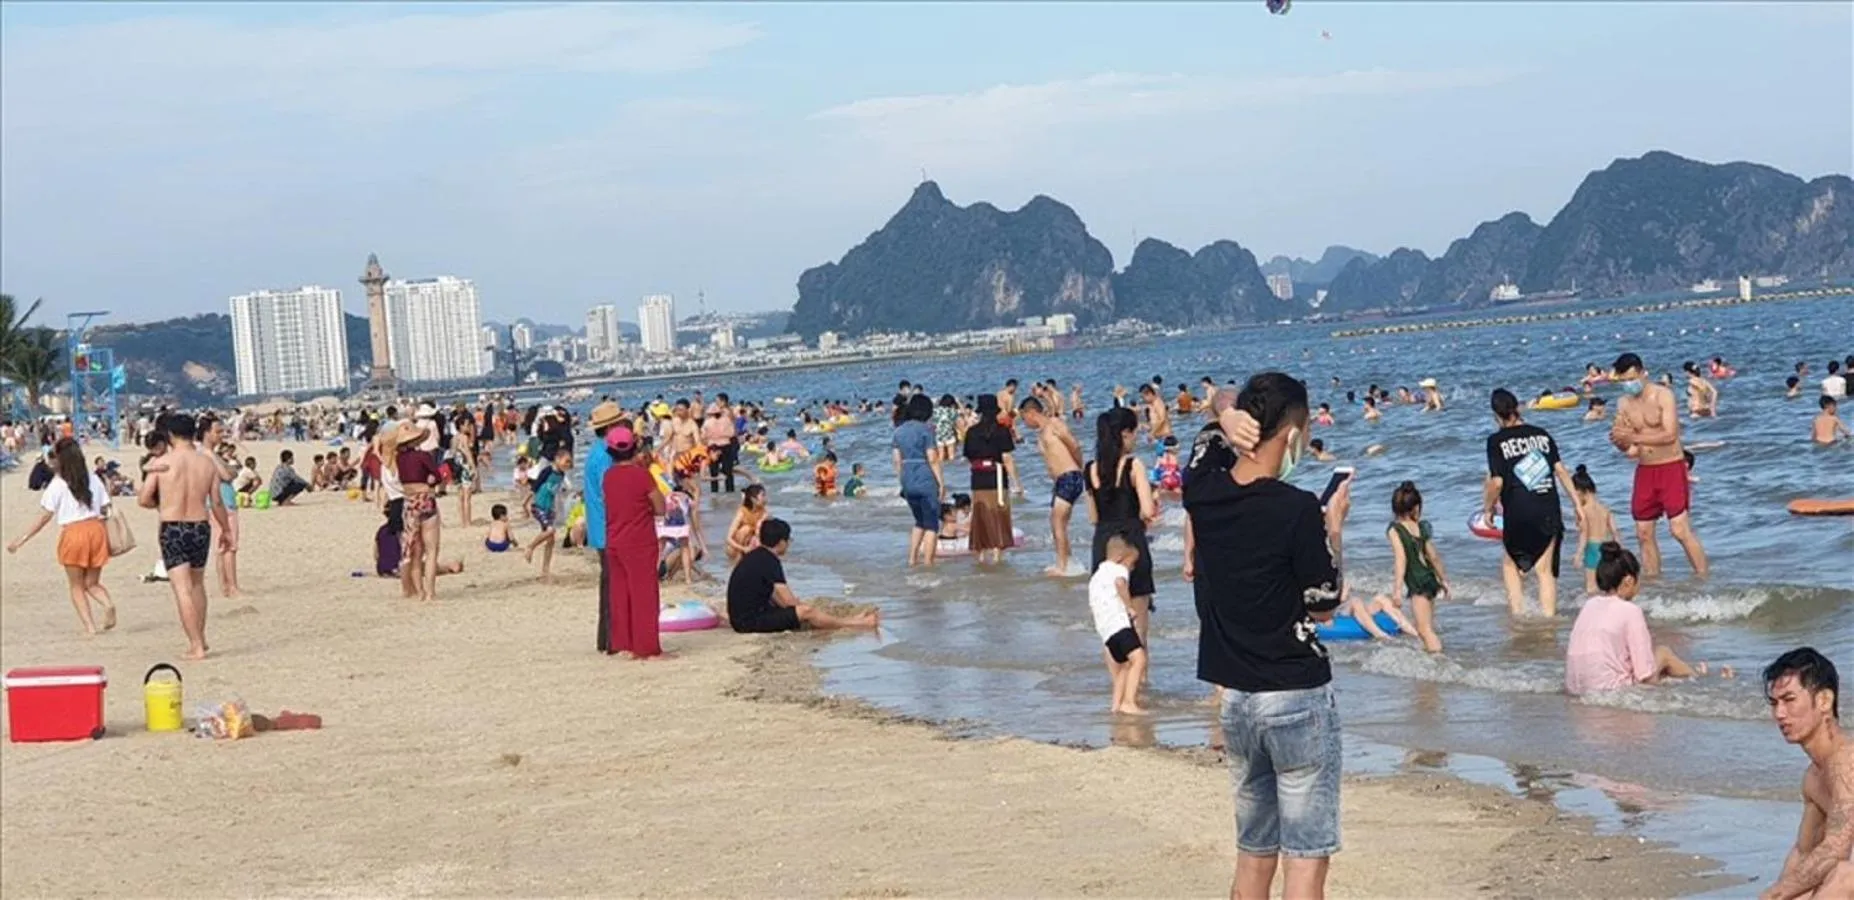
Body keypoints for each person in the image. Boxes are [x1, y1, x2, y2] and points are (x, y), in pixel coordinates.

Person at [1184, 372, 1349, 900]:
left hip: (1237, 696)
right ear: (1293, 434)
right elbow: (1324, 603)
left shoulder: (1204, 492)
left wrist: (1222, 415)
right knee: (1305, 858)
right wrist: (1334, 529)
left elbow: (1207, 437)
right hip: (1296, 692)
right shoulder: (1296, 507)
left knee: (1253, 852)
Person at [1760, 647, 1854, 900]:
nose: (1779, 714)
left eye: (1789, 700)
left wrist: (1774, 895)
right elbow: (1804, 853)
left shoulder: (1847, 762)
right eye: (1775, 703)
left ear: (1824, 701)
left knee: (1845, 877)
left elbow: (1836, 850)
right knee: (1802, 888)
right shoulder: (1814, 776)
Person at [137, 413, 229, 659]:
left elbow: (144, 499)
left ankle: (195, 645)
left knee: (182, 588)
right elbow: (217, 501)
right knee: (198, 584)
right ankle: (201, 637)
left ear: (170, 435)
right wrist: (226, 530)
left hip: (173, 525)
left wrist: (163, 502)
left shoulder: (162, 463)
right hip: (200, 525)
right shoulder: (206, 463)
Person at [1563, 543, 1710, 696]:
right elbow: (1644, 672)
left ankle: (1690, 676)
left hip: (1575, 688)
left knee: (1657, 670)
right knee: (1663, 653)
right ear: (1629, 581)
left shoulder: (1589, 605)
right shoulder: (1630, 611)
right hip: (1612, 690)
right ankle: (1698, 678)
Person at [1610, 352, 1709, 579]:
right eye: (1624, 380)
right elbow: (1630, 450)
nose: (1629, 384)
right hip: (1645, 469)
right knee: (1643, 532)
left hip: (1670, 466)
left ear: (1643, 373)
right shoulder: (1624, 403)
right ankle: (1654, 582)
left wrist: (1633, 438)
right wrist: (1620, 441)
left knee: (1679, 530)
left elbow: (1670, 434)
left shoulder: (1663, 395)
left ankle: (1703, 578)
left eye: (1632, 378)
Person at [7, 438, 118, 635]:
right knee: (92, 583)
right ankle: (108, 604)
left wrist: (21, 540)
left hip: (73, 533)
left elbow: (44, 517)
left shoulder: (58, 484)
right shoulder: (92, 478)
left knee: (76, 586)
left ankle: (90, 627)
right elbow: (105, 506)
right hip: (96, 530)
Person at [1485, 388, 1579, 617]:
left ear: (1496, 415)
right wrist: (1577, 504)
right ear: (1517, 408)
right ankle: (1549, 618)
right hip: (1548, 507)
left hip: (1518, 510)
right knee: (1545, 570)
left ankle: (1518, 614)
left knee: (1510, 564)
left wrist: (1488, 509)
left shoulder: (1496, 441)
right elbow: (1561, 470)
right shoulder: (1542, 435)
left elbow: (1496, 483)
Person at [727, 518, 879, 633]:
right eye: (788, 540)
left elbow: (776, 596)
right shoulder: (769, 561)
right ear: (781, 542)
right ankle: (858, 623)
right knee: (806, 611)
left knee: (801, 611)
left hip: (742, 618)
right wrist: (802, 609)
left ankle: (847, 621)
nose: (788, 544)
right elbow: (788, 601)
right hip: (748, 623)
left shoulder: (757, 556)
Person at [1087, 407, 1158, 651]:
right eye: (1134, 432)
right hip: (1131, 541)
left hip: (1103, 543)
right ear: (1125, 433)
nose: (1136, 438)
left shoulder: (1090, 469)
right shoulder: (1133, 465)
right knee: (1138, 628)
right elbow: (1147, 510)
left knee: (1112, 628)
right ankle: (1140, 674)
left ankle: (1119, 675)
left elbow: (1093, 517)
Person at [599, 426, 666, 658]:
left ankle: (625, 643)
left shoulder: (608, 477)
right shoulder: (641, 476)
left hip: (614, 540)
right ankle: (646, 647)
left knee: (621, 594)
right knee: (644, 594)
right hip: (640, 540)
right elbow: (660, 508)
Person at [1019, 396, 1085, 576]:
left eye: (1024, 419)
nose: (1024, 423)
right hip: (1060, 481)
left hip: (1070, 476)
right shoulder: (1041, 433)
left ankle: (1062, 566)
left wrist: (1079, 468)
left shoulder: (1054, 424)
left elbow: (1074, 445)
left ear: (1031, 413)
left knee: (1057, 522)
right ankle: (1068, 562)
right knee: (1059, 523)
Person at [1387, 481, 1449, 653]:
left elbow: (1401, 559)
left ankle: (1438, 659)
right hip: (1429, 578)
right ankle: (1431, 654)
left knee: (1424, 630)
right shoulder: (1421, 527)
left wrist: (1397, 590)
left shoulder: (1395, 530)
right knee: (1427, 626)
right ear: (1416, 507)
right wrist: (1443, 580)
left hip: (1417, 582)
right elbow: (1433, 556)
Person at [1089, 535, 1148, 715]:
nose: (1132, 568)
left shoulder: (1097, 576)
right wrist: (1129, 607)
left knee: (1123, 667)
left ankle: (1116, 705)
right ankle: (1129, 702)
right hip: (1119, 624)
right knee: (1139, 659)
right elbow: (1120, 583)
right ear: (1120, 558)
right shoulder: (1118, 569)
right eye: (1132, 563)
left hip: (1105, 631)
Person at [964, 394, 1021, 563]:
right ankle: (997, 555)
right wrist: (1017, 482)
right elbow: (1007, 458)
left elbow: (969, 457)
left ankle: (981, 555)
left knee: (981, 515)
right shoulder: (1002, 431)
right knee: (999, 515)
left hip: (978, 478)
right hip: (998, 477)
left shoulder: (972, 432)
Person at [892, 394, 946, 567]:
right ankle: (928, 563)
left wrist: (902, 480)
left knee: (919, 522)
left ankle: (912, 559)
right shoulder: (926, 430)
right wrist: (941, 483)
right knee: (931, 524)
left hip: (908, 479)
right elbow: (932, 458)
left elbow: (897, 461)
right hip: (925, 478)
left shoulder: (898, 431)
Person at [395, 421, 447, 602]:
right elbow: (437, 476)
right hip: (425, 499)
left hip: (409, 502)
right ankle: (430, 592)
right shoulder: (423, 456)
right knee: (431, 550)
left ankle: (420, 592)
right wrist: (432, 480)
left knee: (415, 552)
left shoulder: (399, 459)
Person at [524, 446, 571, 582]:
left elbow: (557, 493)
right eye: (566, 461)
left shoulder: (561, 475)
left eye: (569, 462)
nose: (568, 464)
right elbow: (534, 488)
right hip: (538, 506)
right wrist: (525, 504)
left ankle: (545, 571)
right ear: (557, 459)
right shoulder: (547, 471)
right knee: (550, 531)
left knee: (551, 540)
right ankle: (530, 547)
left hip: (549, 509)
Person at [1570, 466, 1618, 595]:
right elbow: (1615, 533)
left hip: (1592, 549)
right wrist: (1619, 551)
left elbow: (1584, 534)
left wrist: (1579, 554)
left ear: (1581, 491)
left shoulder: (1582, 511)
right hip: (1607, 549)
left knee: (1591, 588)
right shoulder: (1605, 509)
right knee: (1607, 586)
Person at [726, 484, 769, 563]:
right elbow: (728, 538)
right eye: (763, 495)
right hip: (736, 547)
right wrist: (744, 549)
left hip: (753, 544)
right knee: (746, 529)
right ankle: (737, 561)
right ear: (753, 499)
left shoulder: (764, 512)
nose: (765, 498)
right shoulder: (742, 512)